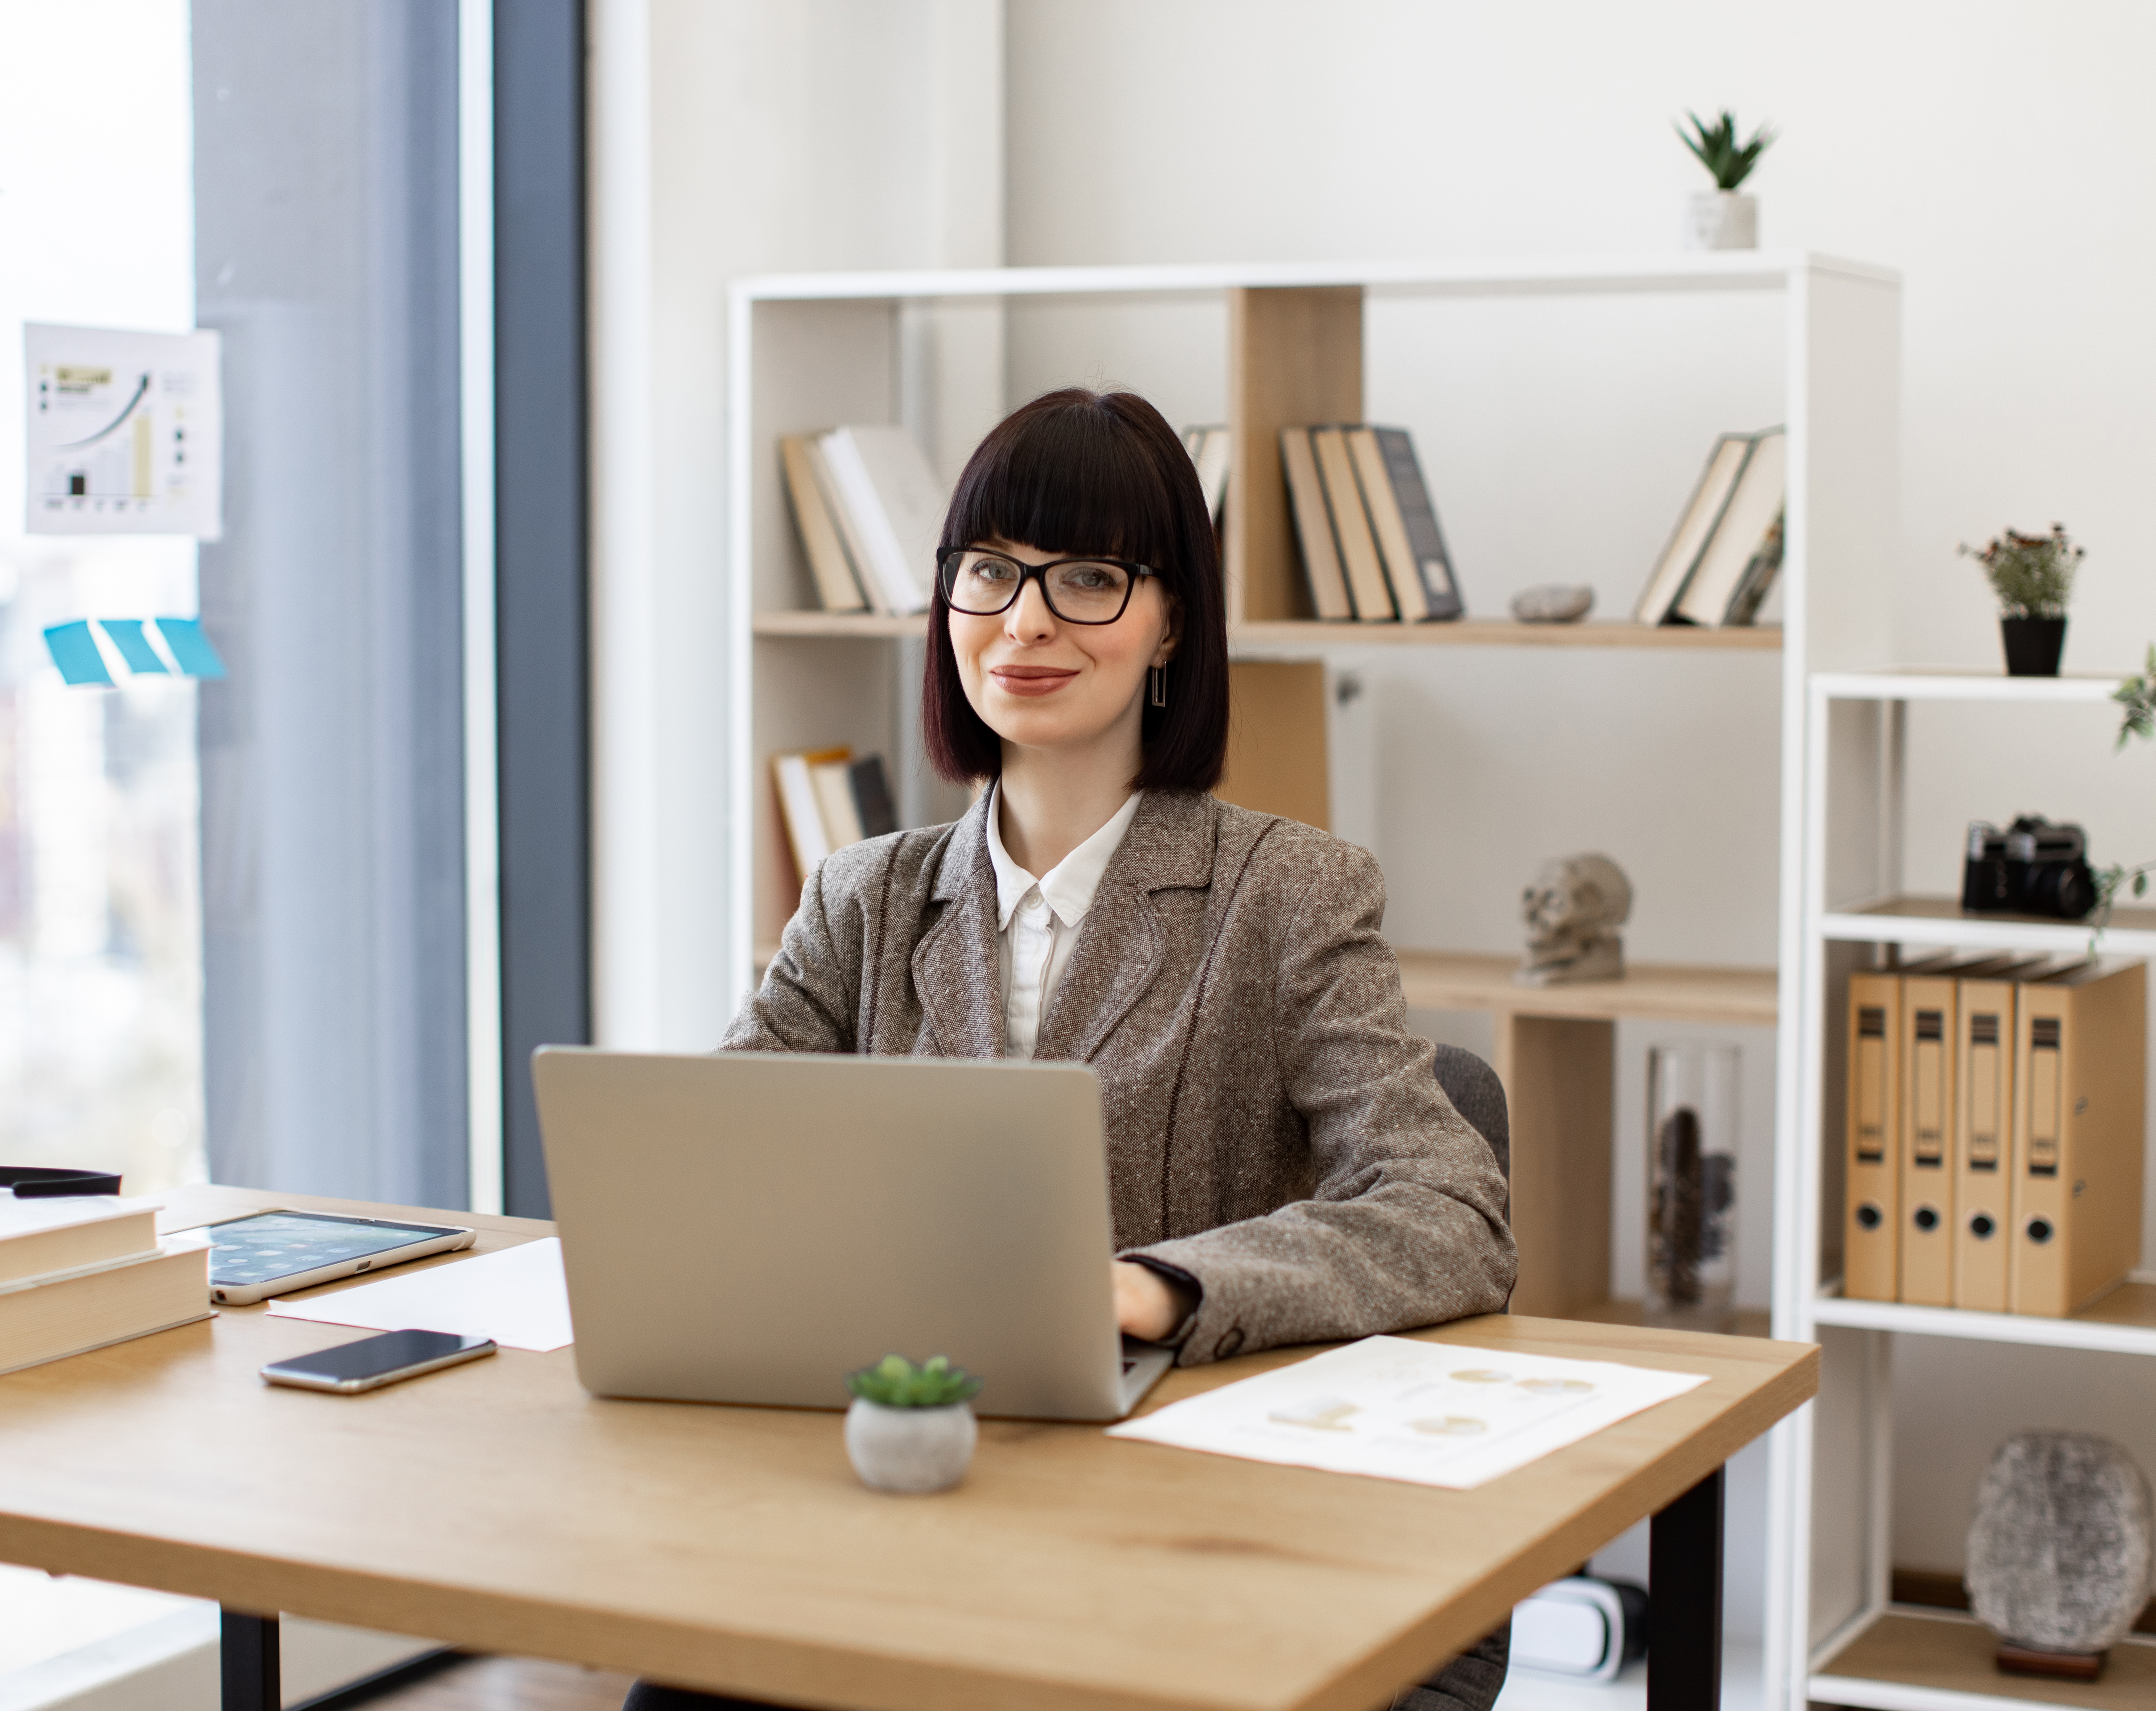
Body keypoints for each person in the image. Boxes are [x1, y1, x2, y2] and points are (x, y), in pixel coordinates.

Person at [626, 388, 1517, 1711]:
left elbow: (1450, 1215)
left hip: (1175, 1537)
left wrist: (1161, 1287)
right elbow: (711, 1175)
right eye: (989, 571)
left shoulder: (1290, 891)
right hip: (904, 1498)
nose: (1026, 619)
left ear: (1170, 627)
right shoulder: (863, 897)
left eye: (1090, 578)